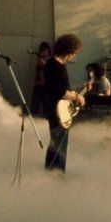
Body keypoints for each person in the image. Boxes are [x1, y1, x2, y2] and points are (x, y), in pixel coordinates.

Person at [43, 34, 85, 172]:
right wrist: (78, 97)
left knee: (57, 143)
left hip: (60, 109)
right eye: (74, 52)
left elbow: (64, 87)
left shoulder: (59, 65)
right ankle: (56, 175)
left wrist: (78, 90)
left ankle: (52, 172)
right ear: (68, 50)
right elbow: (60, 91)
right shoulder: (53, 66)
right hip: (56, 110)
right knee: (58, 144)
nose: (74, 56)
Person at [30, 42, 51, 117]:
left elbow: (47, 68)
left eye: (46, 50)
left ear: (48, 50)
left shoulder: (50, 59)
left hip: (46, 85)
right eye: (42, 50)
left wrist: (41, 59)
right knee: (35, 104)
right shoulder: (39, 59)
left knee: (46, 105)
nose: (44, 52)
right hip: (38, 85)